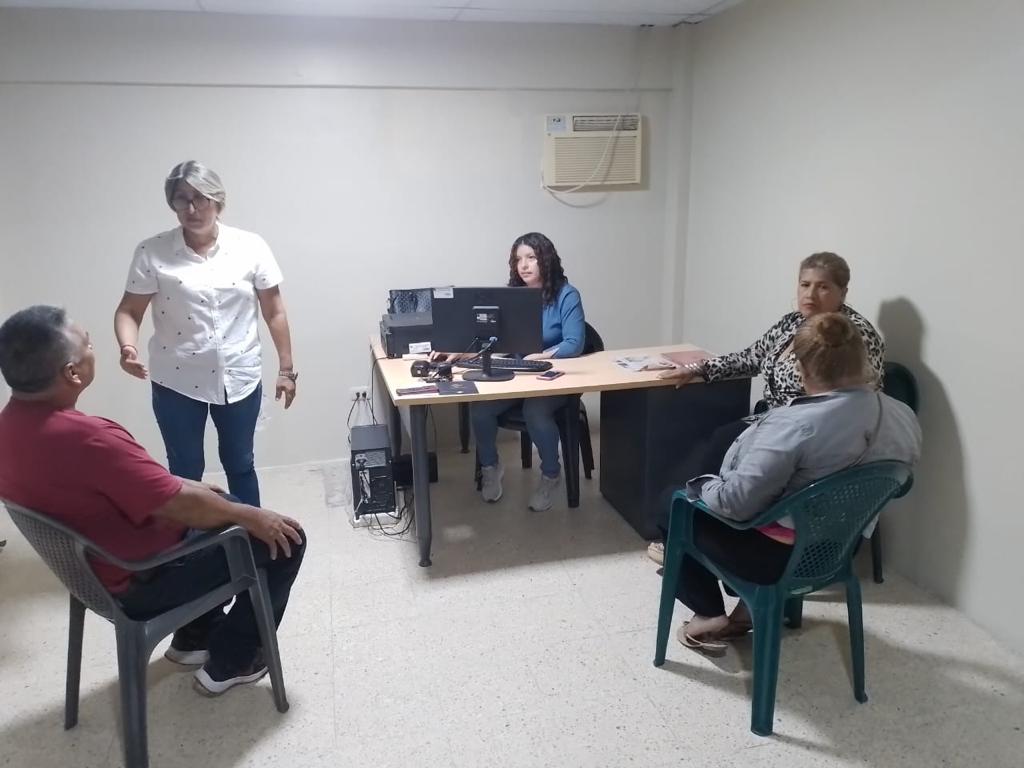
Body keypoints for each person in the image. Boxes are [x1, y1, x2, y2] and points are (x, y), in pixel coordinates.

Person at [0, 305, 306, 696]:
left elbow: (138, 485)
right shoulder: (90, 439)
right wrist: (250, 515)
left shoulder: (10, 429)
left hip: (93, 574)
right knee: (284, 539)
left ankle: (194, 638)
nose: (94, 349)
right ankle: (233, 660)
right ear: (72, 373)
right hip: (142, 580)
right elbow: (180, 506)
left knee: (219, 503)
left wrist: (204, 495)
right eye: (88, 344)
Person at [670, 312, 921, 652]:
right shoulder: (904, 417)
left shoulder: (794, 426)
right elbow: (898, 484)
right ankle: (747, 611)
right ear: (863, 361)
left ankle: (708, 613)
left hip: (777, 559)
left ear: (802, 370)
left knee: (673, 505)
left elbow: (736, 504)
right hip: (840, 551)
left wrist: (701, 485)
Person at [647, 251, 884, 564]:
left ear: (843, 292)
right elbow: (752, 357)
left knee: (723, 446)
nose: (810, 294)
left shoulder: (855, 336)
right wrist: (700, 368)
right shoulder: (792, 323)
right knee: (719, 440)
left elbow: (858, 399)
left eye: (823, 287)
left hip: (813, 433)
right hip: (772, 419)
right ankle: (698, 524)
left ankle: (709, 530)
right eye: (805, 284)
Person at [114, 160, 296, 508]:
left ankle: (253, 536)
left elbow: (275, 311)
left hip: (239, 375)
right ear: (172, 203)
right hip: (176, 379)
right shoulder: (152, 251)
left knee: (240, 463)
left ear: (217, 201)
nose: (192, 208)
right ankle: (192, 541)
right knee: (185, 471)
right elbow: (129, 310)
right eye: (182, 199)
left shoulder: (250, 246)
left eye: (201, 198)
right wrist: (127, 347)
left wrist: (286, 370)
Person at [469, 232, 586, 512]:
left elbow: (575, 342)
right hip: (519, 375)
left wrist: (543, 356)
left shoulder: (567, 294)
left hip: (554, 378)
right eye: (518, 259)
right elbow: (492, 337)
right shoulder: (512, 295)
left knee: (535, 411)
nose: (523, 265)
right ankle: (491, 467)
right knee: (480, 410)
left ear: (546, 259)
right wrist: (460, 351)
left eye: (531, 257)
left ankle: (551, 475)